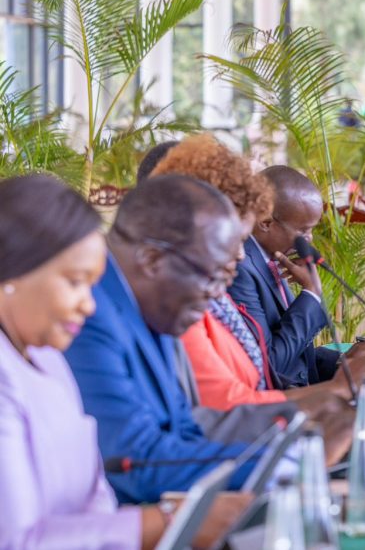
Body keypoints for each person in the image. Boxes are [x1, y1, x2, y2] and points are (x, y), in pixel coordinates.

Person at [0, 174, 249, 548]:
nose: (88, 302)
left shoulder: (49, 360)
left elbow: (96, 496)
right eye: (74, 281)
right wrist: (169, 521)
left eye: (91, 282)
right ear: (12, 272)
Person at [65, 175, 270, 503]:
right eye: (213, 277)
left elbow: (184, 433)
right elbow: (135, 462)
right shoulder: (88, 315)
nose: (218, 295)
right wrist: (282, 467)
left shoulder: (157, 306)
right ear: (152, 260)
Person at [152, 135, 365, 413]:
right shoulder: (201, 296)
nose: (240, 254)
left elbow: (257, 372)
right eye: (233, 237)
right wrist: (311, 296)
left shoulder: (258, 267)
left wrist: (344, 365)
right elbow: (260, 377)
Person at [228, 166, 365, 388]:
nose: (308, 240)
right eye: (302, 231)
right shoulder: (240, 270)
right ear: (265, 222)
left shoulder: (274, 256)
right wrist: (310, 293)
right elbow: (269, 364)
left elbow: (296, 356)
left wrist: (345, 361)